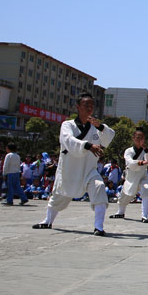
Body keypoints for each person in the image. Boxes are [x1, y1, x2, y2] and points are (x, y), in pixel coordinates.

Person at [32, 93, 115, 235]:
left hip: (88, 169)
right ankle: (47, 221)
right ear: (78, 107)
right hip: (69, 170)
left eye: (91, 106)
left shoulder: (96, 127)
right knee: (58, 196)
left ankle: (98, 227)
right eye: (86, 105)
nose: (89, 108)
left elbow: (109, 136)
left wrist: (100, 126)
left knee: (100, 187)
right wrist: (88, 146)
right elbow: (68, 140)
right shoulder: (67, 125)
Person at [110, 127, 148, 222]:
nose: (139, 139)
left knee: (146, 190)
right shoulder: (129, 151)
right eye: (137, 137)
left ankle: (145, 216)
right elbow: (130, 162)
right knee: (125, 195)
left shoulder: (147, 150)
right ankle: (120, 212)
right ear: (133, 138)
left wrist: (146, 151)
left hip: (142, 175)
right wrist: (141, 162)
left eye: (141, 137)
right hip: (131, 177)